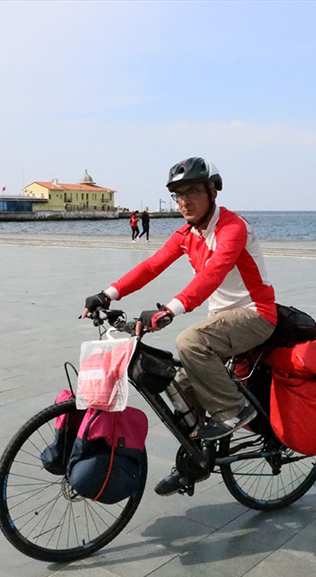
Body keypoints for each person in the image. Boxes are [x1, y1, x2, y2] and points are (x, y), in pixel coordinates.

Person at [81, 157, 277, 495]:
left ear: (212, 192)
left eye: (192, 192)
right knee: (179, 389)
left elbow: (211, 275)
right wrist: (107, 294)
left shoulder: (232, 228)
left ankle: (233, 411)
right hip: (222, 320)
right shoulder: (188, 234)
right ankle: (195, 463)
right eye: (178, 195)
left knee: (189, 341)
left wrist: (168, 311)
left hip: (256, 313)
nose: (184, 201)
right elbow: (151, 265)